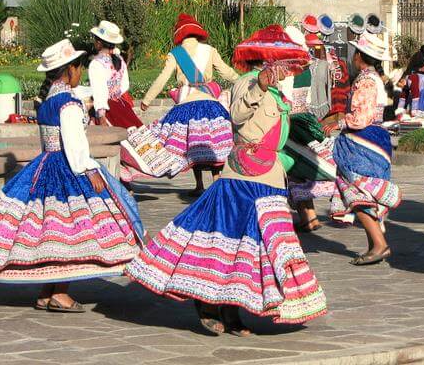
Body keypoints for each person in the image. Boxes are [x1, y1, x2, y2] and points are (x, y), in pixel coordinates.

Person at [125, 25, 327, 335]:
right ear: (269, 61)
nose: (289, 69)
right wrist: (259, 87)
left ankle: (235, 309)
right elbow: (237, 115)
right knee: (232, 243)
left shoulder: (278, 92)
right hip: (244, 180)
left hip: (269, 176)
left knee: (254, 249)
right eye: (284, 62)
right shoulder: (249, 83)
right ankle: (211, 304)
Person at [0, 40, 143, 312]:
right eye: (78, 68)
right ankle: (60, 293)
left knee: (52, 231)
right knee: (71, 232)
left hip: (45, 165)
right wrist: (88, 170)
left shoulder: (49, 100)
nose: (80, 73)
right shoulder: (68, 104)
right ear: (69, 70)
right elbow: (74, 143)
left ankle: (46, 292)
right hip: (67, 167)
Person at [120, 14, 238, 193]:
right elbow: (226, 72)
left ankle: (199, 185)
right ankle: (216, 181)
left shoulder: (176, 54)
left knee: (191, 142)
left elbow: (162, 78)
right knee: (212, 141)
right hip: (210, 103)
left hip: (187, 104)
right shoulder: (210, 50)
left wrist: (147, 99)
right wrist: (244, 80)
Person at [323, 32, 402, 265]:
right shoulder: (372, 78)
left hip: (363, 141)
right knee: (361, 193)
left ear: (359, 56)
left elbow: (362, 117)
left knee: (356, 192)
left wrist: (339, 123)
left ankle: (379, 245)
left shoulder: (366, 82)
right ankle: (374, 243)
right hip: (372, 139)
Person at [283, 30, 336, 233]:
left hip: (291, 122)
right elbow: (310, 99)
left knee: (294, 169)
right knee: (305, 169)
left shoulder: (287, 71)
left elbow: (286, 99)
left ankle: (308, 217)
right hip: (307, 120)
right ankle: (310, 217)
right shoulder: (307, 68)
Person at [89, 20, 143, 129]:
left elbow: (100, 91)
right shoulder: (119, 59)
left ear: (99, 43)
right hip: (121, 104)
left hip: (107, 110)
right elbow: (125, 85)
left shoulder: (96, 64)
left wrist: (101, 117)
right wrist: (115, 94)